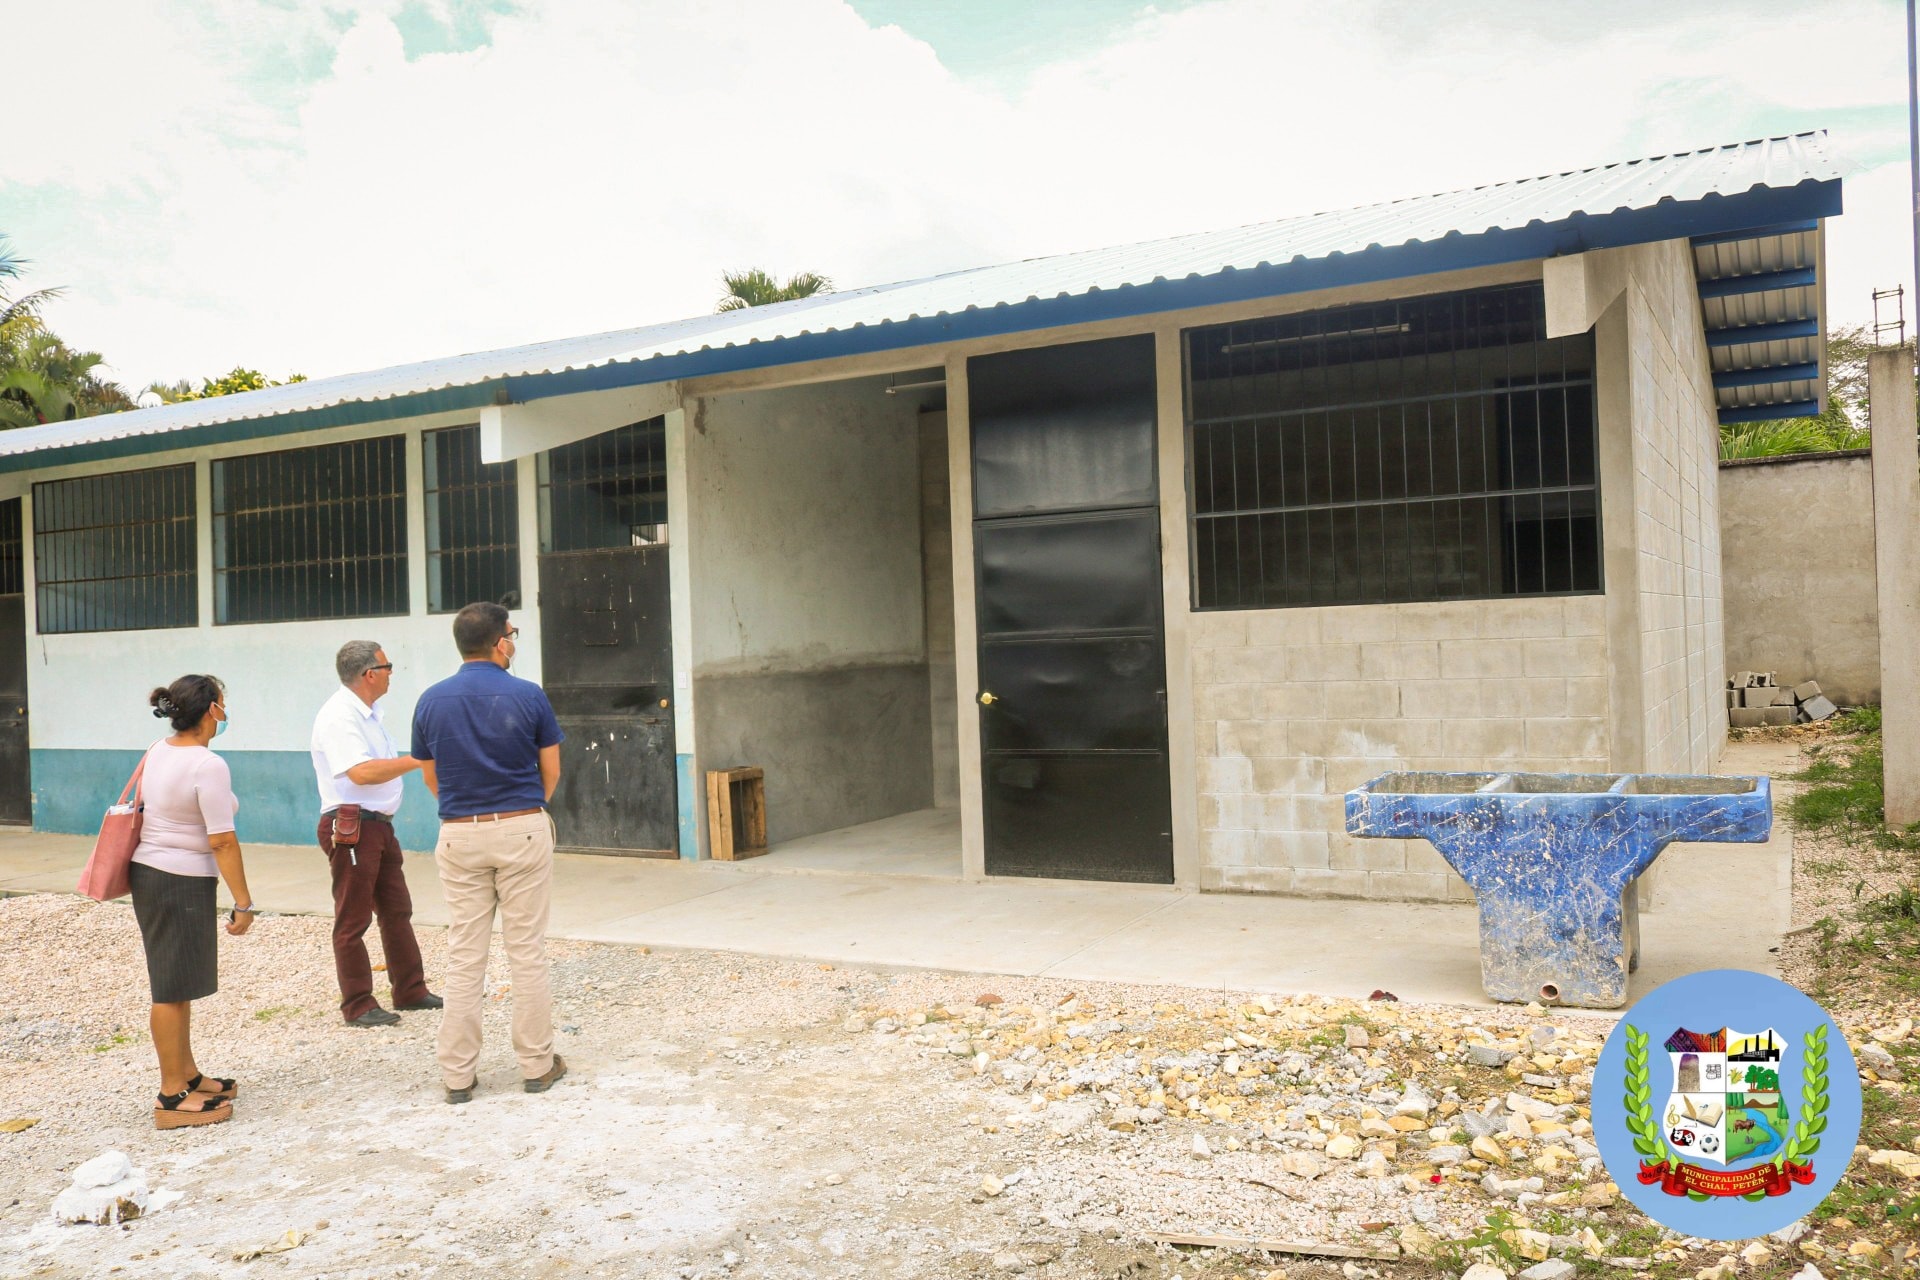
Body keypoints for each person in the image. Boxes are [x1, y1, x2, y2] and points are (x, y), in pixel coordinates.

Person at [411, 602, 566, 1104]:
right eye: (512, 634)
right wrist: (525, 811)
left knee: (464, 954)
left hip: (458, 831)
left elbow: (429, 774)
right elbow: (552, 771)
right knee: (526, 951)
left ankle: (457, 1076)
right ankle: (537, 1066)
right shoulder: (529, 695)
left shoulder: (431, 700)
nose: (514, 642)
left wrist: (465, 813)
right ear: (500, 643)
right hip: (521, 827)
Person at [132, 675, 255, 1130]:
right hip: (176, 879)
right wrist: (243, 902)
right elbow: (222, 840)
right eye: (223, 703)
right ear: (211, 711)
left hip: (155, 874)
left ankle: (186, 1075)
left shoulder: (158, 749)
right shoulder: (208, 764)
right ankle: (170, 1097)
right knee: (170, 988)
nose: (226, 711)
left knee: (179, 984)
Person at [310, 640, 440, 1028]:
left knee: (396, 909)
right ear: (370, 674)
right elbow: (361, 772)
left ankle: (410, 989)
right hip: (353, 825)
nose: (390, 674)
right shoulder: (339, 716)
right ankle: (358, 1003)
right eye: (387, 667)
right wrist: (417, 761)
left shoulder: (367, 714)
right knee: (353, 918)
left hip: (377, 825)